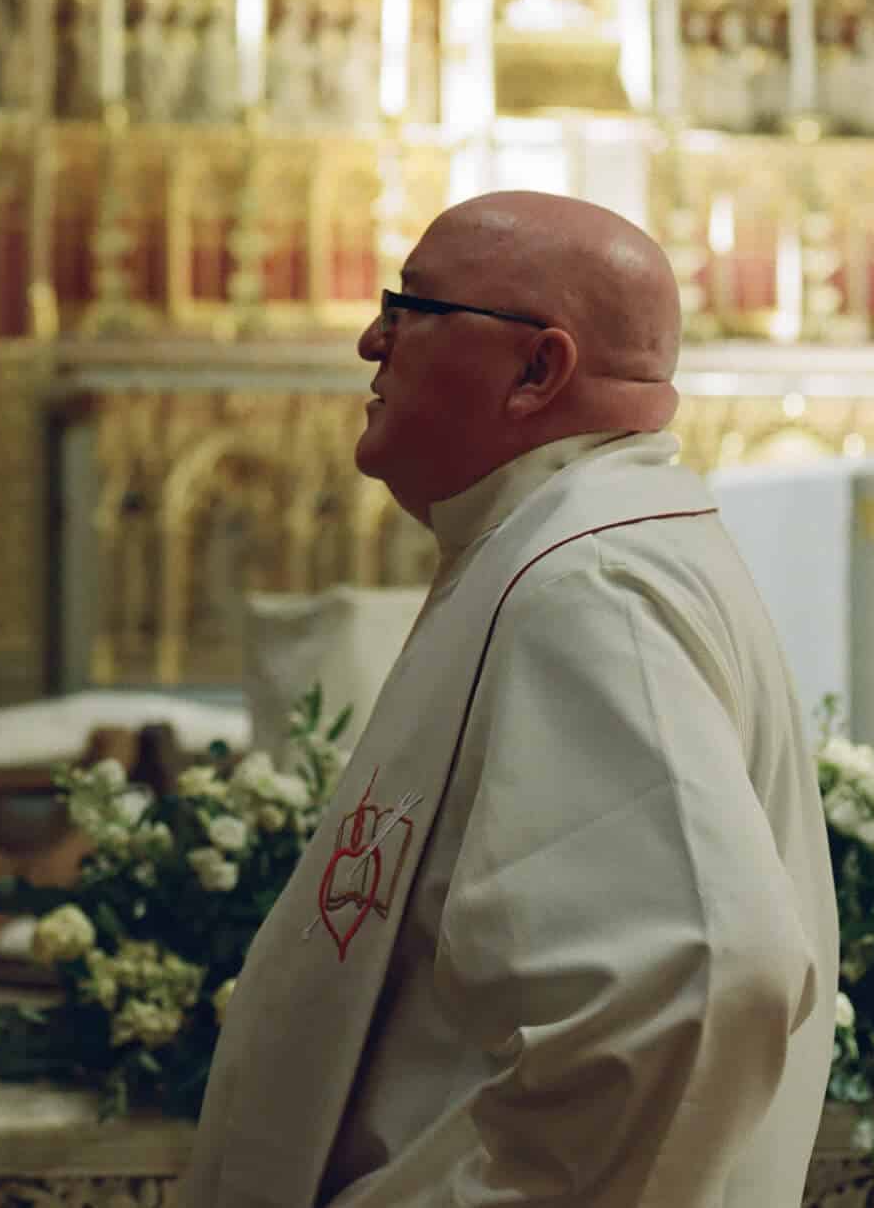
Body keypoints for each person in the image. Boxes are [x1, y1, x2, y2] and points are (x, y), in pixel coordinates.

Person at [182, 192, 839, 1207]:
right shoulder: (555, 543)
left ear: (538, 371)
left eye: (411, 307)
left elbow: (704, 975)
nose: (371, 338)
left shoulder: (592, 582)